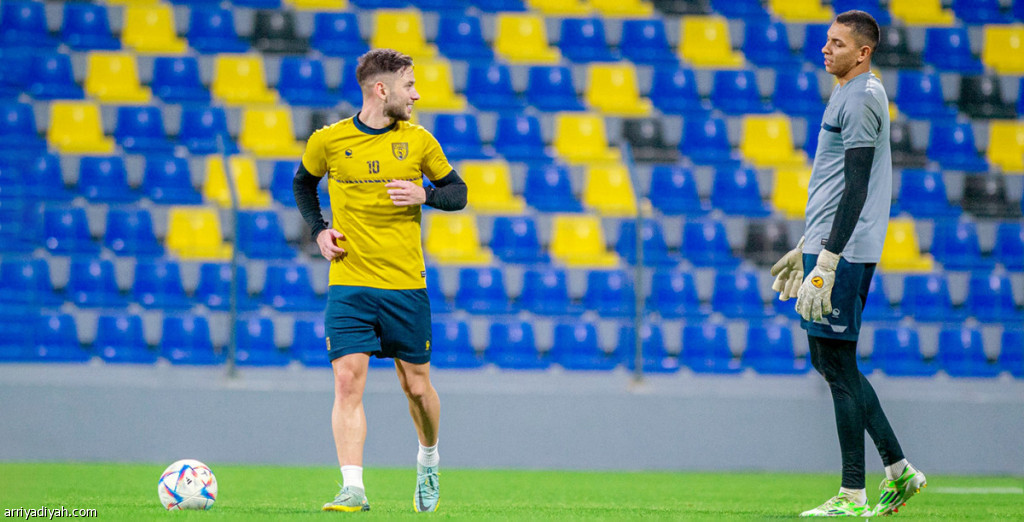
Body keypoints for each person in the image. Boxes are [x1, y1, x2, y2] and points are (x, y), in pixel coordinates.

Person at [291, 48, 467, 513]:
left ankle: (428, 458)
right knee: (347, 380)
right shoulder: (329, 141)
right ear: (381, 89)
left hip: (405, 285)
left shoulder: (419, 141)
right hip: (350, 282)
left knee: (417, 388)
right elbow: (303, 183)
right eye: (409, 85)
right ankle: (353, 487)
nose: (416, 94)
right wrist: (319, 230)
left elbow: (458, 192)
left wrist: (425, 195)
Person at [770, 10, 926, 517]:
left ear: (863, 52)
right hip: (831, 243)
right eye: (826, 40)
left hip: (845, 251)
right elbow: (837, 182)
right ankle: (899, 471)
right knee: (831, 362)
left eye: (837, 43)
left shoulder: (859, 99)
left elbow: (857, 185)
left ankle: (852, 493)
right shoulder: (852, 91)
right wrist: (808, 244)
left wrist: (828, 258)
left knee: (836, 367)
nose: (826, 48)